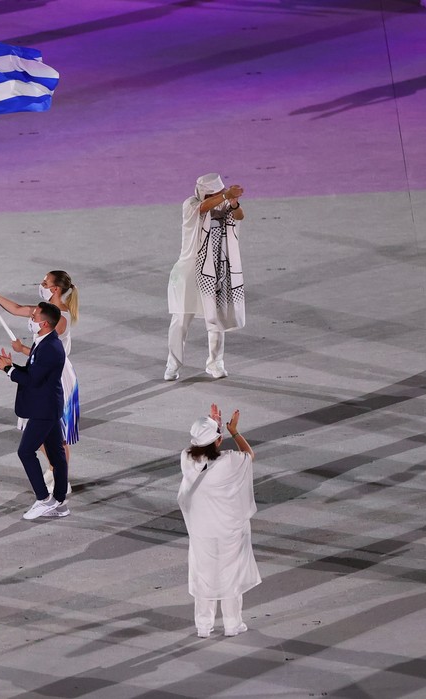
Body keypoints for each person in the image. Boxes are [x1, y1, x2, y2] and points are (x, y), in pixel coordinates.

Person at [0, 270, 80, 495]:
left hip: (56, 375)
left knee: (55, 433)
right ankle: (55, 469)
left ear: (55, 289)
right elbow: (15, 309)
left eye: (45, 282)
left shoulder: (59, 318)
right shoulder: (46, 311)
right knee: (40, 430)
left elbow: (51, 352)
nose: (40, 284)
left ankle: (61, 474)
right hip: (42, 368)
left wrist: (21, 352)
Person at [177, 403, 260, 638]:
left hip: (202, 531)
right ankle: (232, 624)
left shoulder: (186, 459)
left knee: (204, 574)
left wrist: (211, 426)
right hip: (229, 530)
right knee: (229, 573)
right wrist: (233, 431)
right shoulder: (230, 461)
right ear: (218, 441)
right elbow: (250, 455)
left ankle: (203, 626)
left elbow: (196, 447)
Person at [0, 302, 70, 520]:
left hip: (43, 409)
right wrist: (11, 366)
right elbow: (34, 372)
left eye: (34, 317)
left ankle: (44, 499)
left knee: (25, 452)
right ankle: (60, 503)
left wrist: (8, 369)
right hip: (48, 406)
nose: (31, 319)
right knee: (57, 456)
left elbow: (32, 380)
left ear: (43, 323)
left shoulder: (50, 348)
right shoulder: (43, 342)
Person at [165, 174, 245, 381]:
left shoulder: (224, 205)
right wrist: (225, 195)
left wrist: (234, 203)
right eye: (216, 194)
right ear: (204, 193)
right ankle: (173, 364)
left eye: (221, 192)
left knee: (216, 319)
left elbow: (239, 217)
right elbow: (203, 208)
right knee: (180, 320)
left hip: (214, 270)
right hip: (188, 272)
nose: (221, 196)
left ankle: (215, 363)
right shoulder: (190, 204)